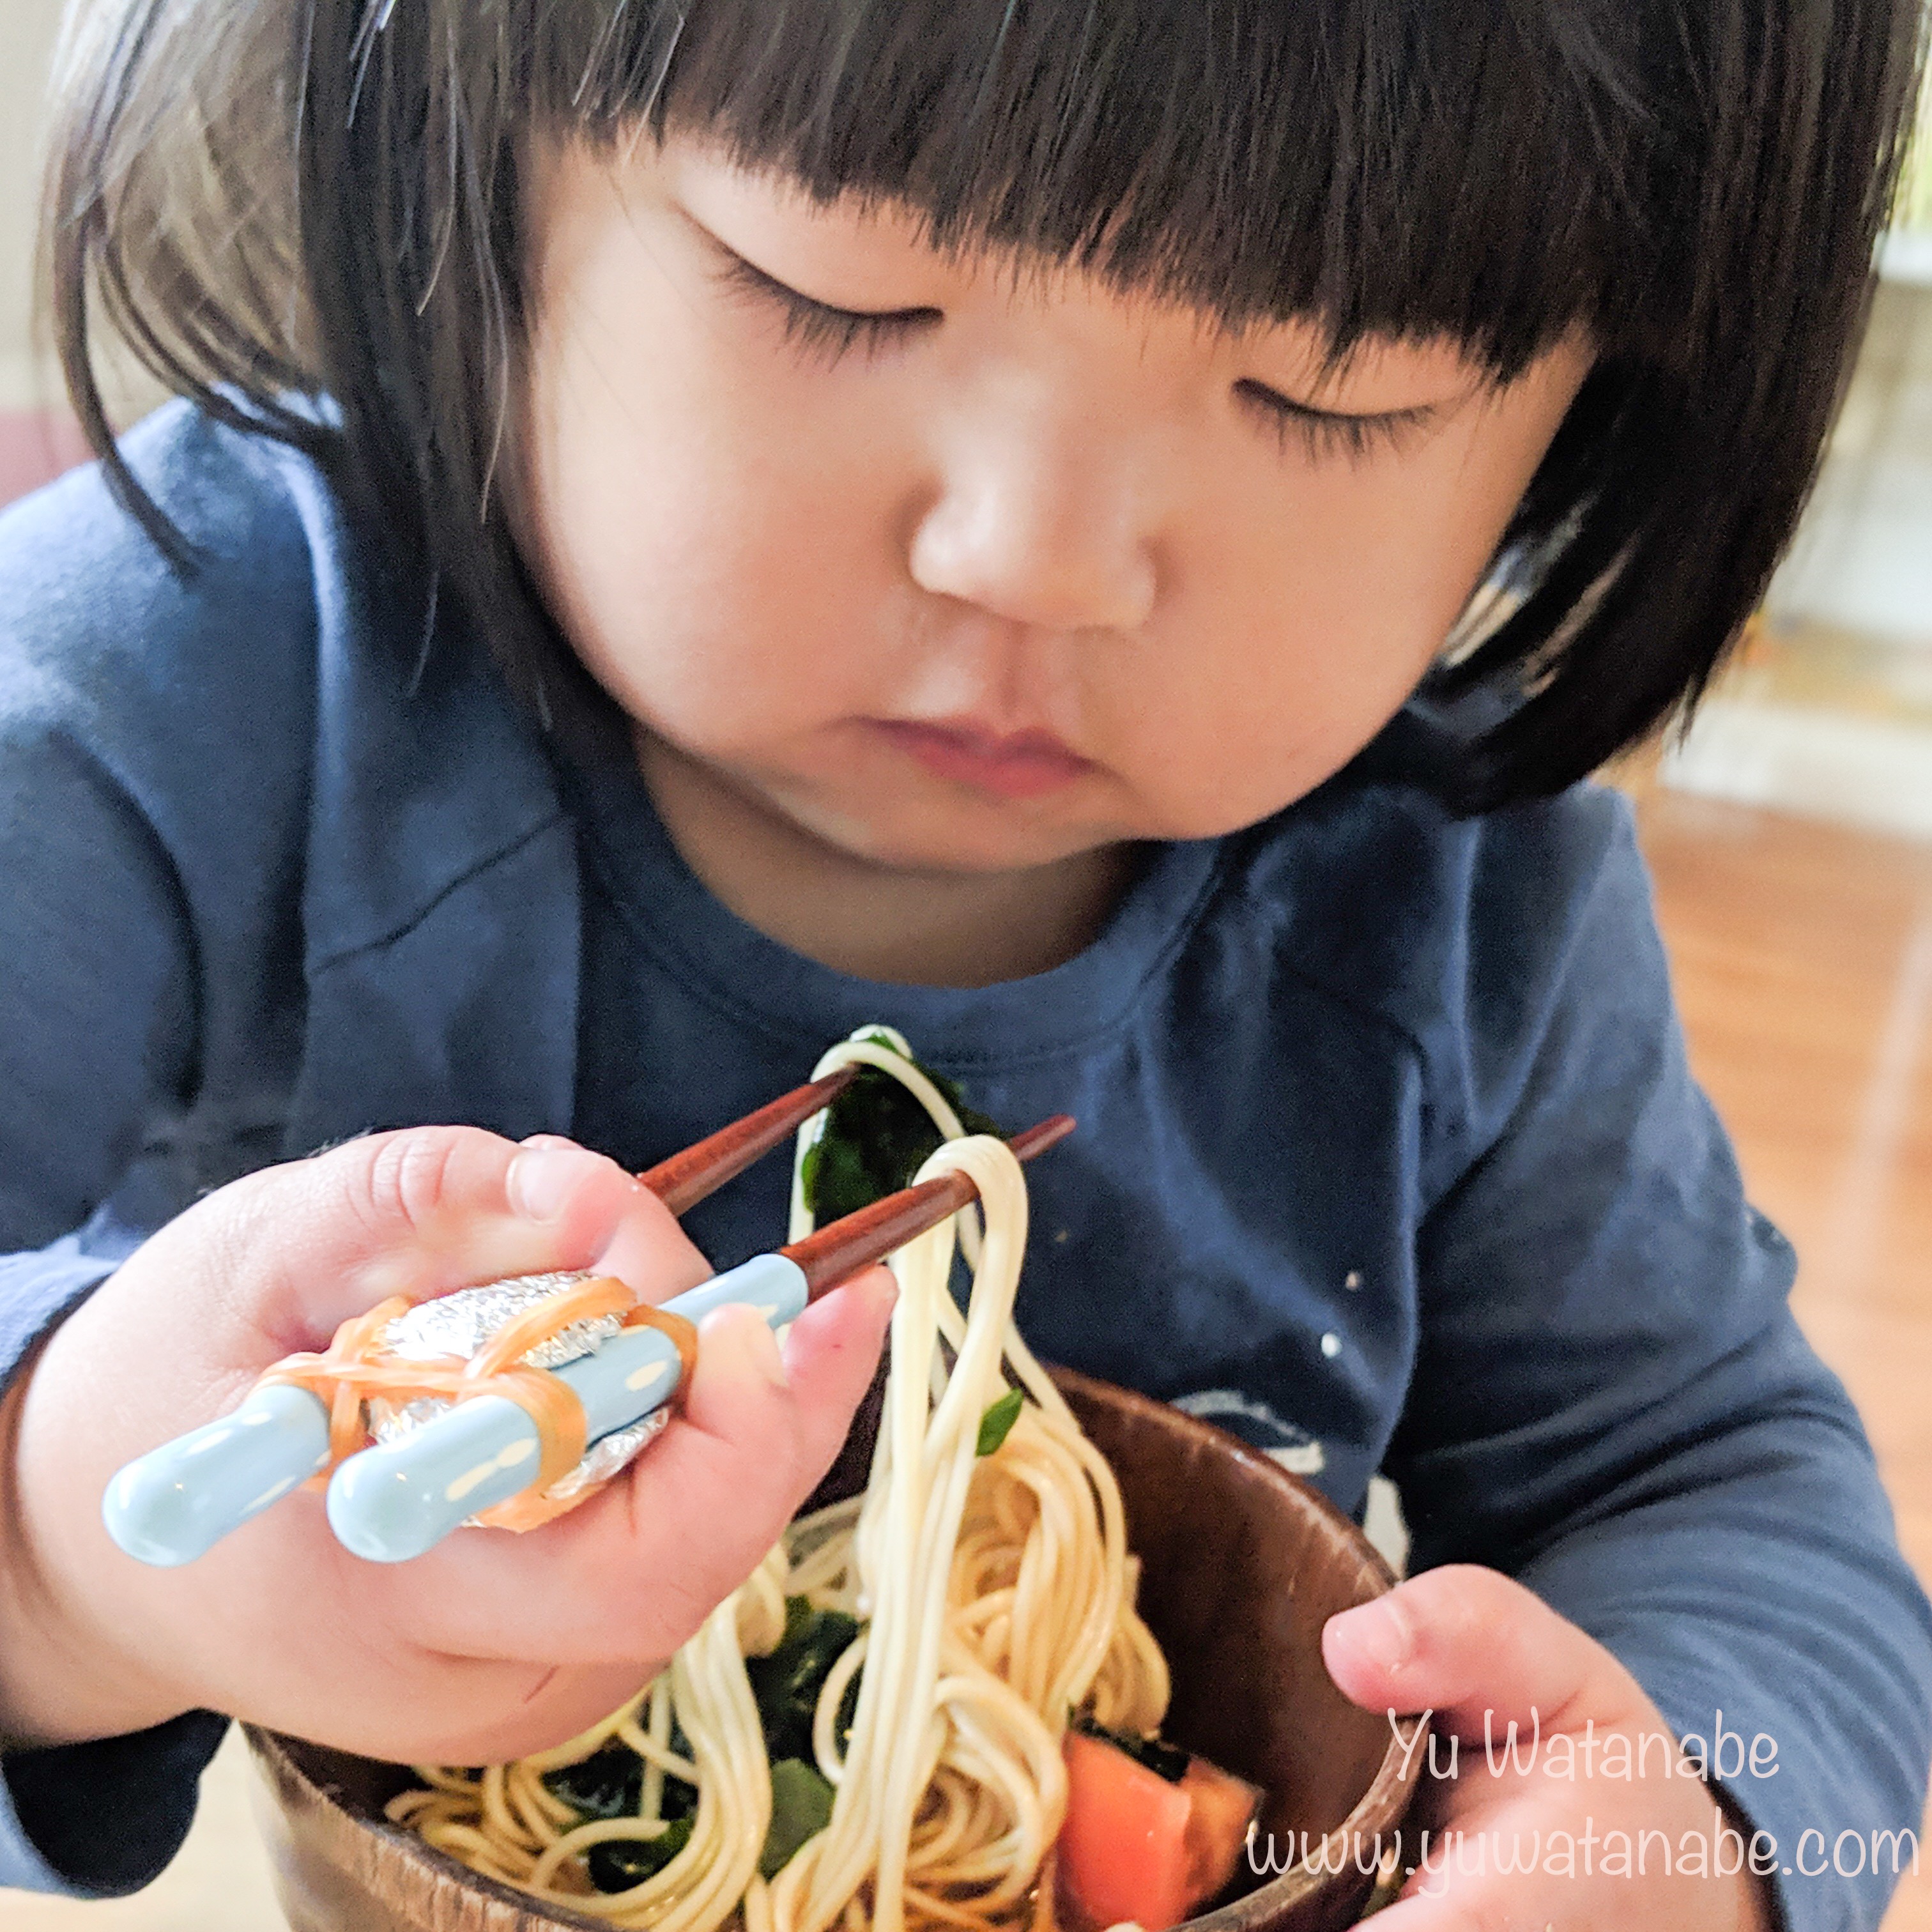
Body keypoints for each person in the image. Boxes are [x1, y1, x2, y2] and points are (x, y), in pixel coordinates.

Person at [2, 0, 1928, 1926]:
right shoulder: (171, 678)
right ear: (463, 146)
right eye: (836, 290)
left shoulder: (1468, 905)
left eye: (1331, 389)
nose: (1038, 559)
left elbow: (1715, 1492)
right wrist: (60, 1559)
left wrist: (1692, 1835)